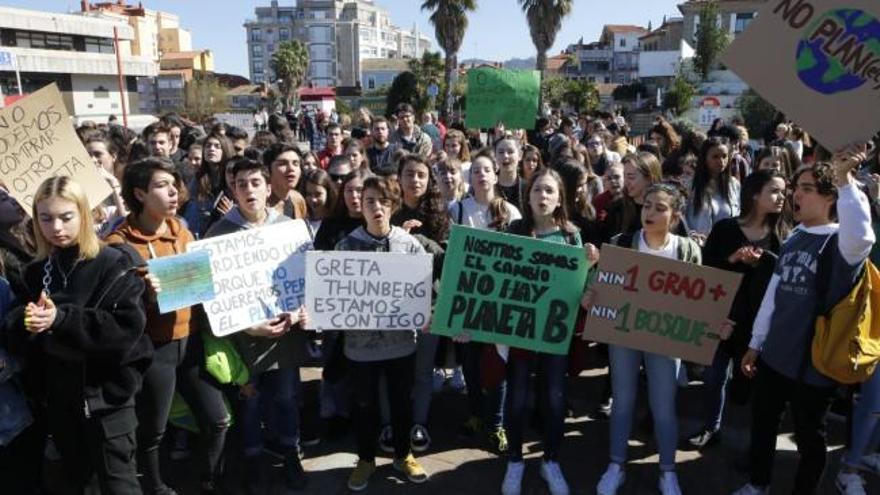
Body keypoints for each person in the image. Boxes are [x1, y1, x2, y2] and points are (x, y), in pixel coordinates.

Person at [735, 145, 876, 495]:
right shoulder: (795, 236)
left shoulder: (842, 244)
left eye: (807, 189)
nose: (796, 195)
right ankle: (758, 484)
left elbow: (863, 235)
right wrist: (756, 342)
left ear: (831, 198)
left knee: (811, 442)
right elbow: (774, 295)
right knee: (763, 426)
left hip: (816, 366)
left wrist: (845, 181)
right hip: (775, 359)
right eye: (796, 188)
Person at [5, 176, 152, 494]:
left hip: (108, 400)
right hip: (61, 402)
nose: (56, 227)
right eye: (46, 218)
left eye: (65, 217)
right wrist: (27, 322)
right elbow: (14, 326)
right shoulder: (36, 271)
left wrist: (62, 319)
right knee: (81, 484)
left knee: (119, 485)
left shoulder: (114, 262)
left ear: (84, 215)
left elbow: (125, 330)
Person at [591, 183, 726, 495]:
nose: (649, 212)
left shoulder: (687, 249)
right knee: (622, 402)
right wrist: (591, 294)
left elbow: (699, 298)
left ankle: (668, 471)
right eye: (647, 205)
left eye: (659, 208)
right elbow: (602, 285)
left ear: (675, 216)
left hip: (665, 338)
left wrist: (715, 322)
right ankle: (616, 465)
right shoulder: (622, 242)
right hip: (623, 334)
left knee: (663, 405)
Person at [106, 158, 230, 494]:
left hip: (190, 342)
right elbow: (113, 308)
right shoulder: (119, 246)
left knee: (217, 419)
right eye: (162, 185)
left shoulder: (184, 231)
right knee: (153, 430)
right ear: (139, 194)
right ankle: (156, 487)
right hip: (153, 351)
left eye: (174, 182)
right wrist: (142, 293)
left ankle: (208, 480)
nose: (174, 190)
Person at [204, 158, 311, 494]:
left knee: (287, 398)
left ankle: (289, 452)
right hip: (243, 343)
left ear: (268, 188)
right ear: (233, 191)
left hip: (285, 341)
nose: (249, 190)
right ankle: (252, 458)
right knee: (248, 402)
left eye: (255, 183)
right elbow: (213, 299)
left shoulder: (291, 228)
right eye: (241, 185)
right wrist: (249, 327)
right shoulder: (217, 234)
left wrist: (298, 314)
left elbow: (308, 282)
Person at [339, 175, 429, 492]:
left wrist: (426, 312)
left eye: (383, 201)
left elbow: (424, 290)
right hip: (359, 348)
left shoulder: (410, 245)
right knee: (364, 404)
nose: (377, 207)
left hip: (402, 344)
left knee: (401, 402)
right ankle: (365, 459)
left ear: (393, 206)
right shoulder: (346, 247)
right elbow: (335, 295)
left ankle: (403, 455)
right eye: (369, 201)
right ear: (360, 207)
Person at [501, 168, 588, 495]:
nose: (543, 196)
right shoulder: (514, 230)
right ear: (529, 195)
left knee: (554, 398)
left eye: (550, 191)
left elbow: (580, 287)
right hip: (520, 332)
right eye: (537, 190)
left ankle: (550, 461)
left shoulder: (570, 235)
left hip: (555, 334)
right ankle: (514, 461)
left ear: (560, 198)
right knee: (517, 399)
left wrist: (589, 272)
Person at [688, 170, 789, 450]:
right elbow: (706, 272)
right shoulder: (725, 229)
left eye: (783, 191)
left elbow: (786, 277)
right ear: (754, 194)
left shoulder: (782, 233)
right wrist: (732, 259)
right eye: (774, 191)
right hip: (722, 316)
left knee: (752, 387)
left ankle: (756, 448)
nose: (782, 197)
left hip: (758, 324)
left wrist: (763, 262)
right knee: (713, 377)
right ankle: (711, 427)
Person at [448, 153, 520, 454]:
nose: (481, 175)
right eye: (476, 170)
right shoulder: (458, 209)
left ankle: (496, 424)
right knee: (471, 366)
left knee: (496, 366)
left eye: (487, 170)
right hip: (467, 301)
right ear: (470, 176)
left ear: (495, 174)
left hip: (499, 303)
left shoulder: (511, 212)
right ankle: (477, 415)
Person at [686, 137, 741, 244]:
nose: (721, 161)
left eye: (724, 156)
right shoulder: (689, 185)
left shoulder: (734, 185)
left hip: (726, 247)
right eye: (715, 157)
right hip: (697, 246)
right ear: (704, 158)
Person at [264, 143, 308, 220]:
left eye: (295, 163)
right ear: (268, 169)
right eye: (282, 164)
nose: (291, 168)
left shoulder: (298, 200)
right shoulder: (260, 204)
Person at [302, 168, 337, 240]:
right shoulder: (301, 220)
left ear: (328, 192)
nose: (313, 199)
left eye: (318, 194)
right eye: (309, 194)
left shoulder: (337, 222)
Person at [495, 137, 526, 211]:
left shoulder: (528, 188)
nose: (505, 156)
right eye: (501, 152)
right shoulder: (488, 186)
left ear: (520, 155)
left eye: (510, 152)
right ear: (495, 156)